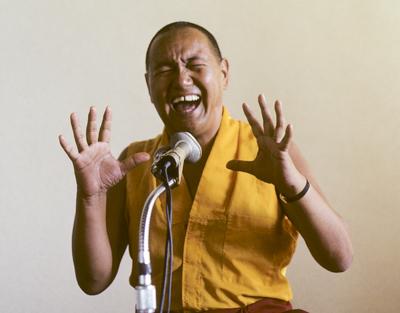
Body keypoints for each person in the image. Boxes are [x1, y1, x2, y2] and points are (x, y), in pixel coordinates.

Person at [59, 21, 353, 313]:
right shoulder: (136, 162)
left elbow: (339, 258)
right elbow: (93, 281)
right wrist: (90, 197)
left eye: (195, 65)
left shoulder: (268, 151)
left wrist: (292, 185)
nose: (181, 80)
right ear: (149, 86)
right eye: (164, 71)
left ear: (224, 73)